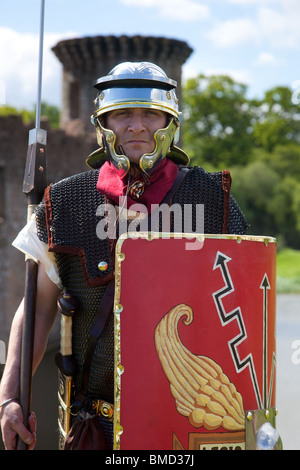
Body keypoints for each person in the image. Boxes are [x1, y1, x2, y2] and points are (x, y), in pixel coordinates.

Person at [0, 62, 248, 450]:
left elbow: (241, 316)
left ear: (170, 122)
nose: (136, 126)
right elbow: (36, 310)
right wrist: (10, 397)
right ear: (104, 124)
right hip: (94, 426)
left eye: (150, 113)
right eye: (123, 114)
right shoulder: (64, 202)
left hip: (190, 427)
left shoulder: (212, 201)